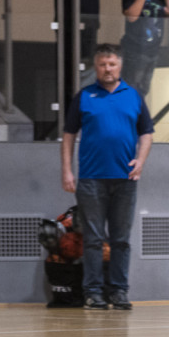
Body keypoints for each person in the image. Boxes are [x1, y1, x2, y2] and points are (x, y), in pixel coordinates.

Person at [60, 44, 154, 310]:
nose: (107, 69)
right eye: (102, 64)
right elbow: (68, 135)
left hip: (125, 180)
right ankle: (92, 292)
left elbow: (146, 132)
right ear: (96, 67)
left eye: (111, 64)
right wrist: (67, 170)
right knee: (92, 239)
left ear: (119, 65)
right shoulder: (84, 96)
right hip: (90, 179)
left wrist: (141, 161)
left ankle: (119, 291)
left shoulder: (133, 96)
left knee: (121, 240)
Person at [41, 0, 112, 113]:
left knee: (87, 69)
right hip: (66, 29)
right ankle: (68, 111)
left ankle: (87, 108)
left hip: (88, 31)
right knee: (66, 69)